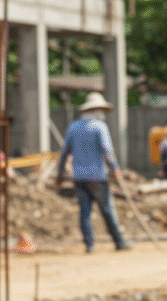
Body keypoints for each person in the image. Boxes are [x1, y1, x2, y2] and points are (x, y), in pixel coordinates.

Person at [56, 91, 131, 253]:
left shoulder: (73, 127)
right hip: (97, 177)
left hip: (79, 178)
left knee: (84, 212)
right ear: (97, 110)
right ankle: (119, 241)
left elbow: (64, 153)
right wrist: (115, 168)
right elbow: (107, 151)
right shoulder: (100, 127)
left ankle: (89, 245)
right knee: (107, 209)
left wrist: (60, 174)